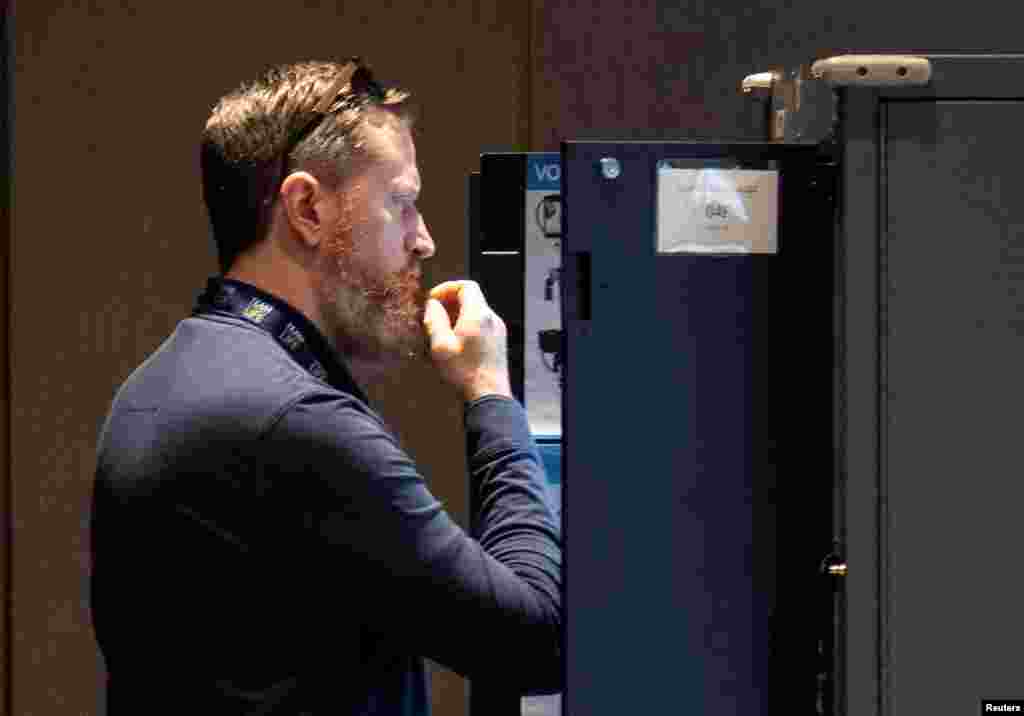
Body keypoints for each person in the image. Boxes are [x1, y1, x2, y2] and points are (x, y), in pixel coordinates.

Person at [89, 58, 562, 715]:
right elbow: (536, 638)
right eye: (401, 203)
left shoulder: (159, 382)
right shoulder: (294, 422)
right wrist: (490, 393)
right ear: (307, 208)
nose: (423, 240)